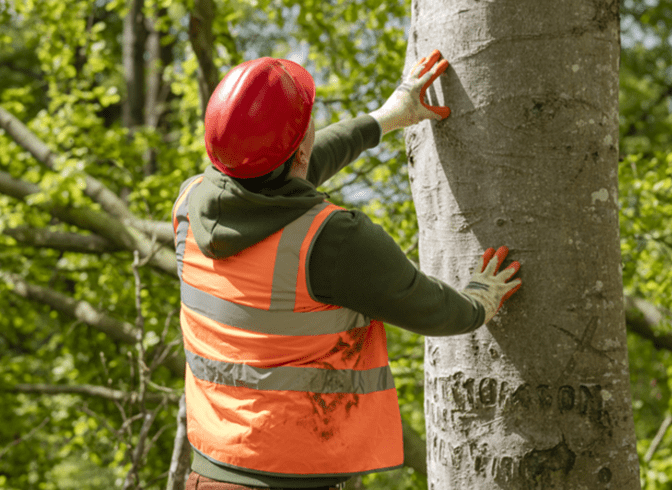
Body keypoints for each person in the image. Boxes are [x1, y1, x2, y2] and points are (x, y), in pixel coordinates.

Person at [172, 50, 522, 490]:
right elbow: (433, 309)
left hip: (210, 473)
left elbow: (283, 177)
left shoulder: (191, 207)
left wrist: (386, 118)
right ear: (300, 151)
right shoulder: (332, 241)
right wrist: (478, 301)